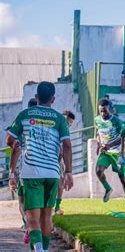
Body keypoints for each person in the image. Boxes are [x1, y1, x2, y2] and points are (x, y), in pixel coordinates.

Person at [6, 81, 73, 251]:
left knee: (32, 218)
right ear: (53, 99)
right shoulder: (59, 118)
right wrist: (69, 172)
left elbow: (9, 139)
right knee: (46, 216)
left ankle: (39, 249)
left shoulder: (25, 114)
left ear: (36, 97)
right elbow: (67, 145)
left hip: (31, 173)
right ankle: (43, 248)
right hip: (52, 173)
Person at [8, 97, 37, 244]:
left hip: (24, 167)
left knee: (22, 200)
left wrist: (11, 173)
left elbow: (14, 148)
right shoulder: (44, 124)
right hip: (44, 168)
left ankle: (27, 222)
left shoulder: (23, 123)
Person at [94, 98, 125, 213]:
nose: (103, 113)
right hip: (105, 152)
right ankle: (108, 189)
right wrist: (98, 144)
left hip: (117, 153)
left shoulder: (117, 121)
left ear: (109, 109)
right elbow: (98, 133)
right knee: (98, 170)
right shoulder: (97, 120)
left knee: (123, 179)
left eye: (105, 110)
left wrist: (109, 145)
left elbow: (122, 137)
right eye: (101, 111)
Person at [54, 110, 75, 215]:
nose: (69, 125)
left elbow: (66, 146)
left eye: (70, 123)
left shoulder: (65, 130)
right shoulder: (55, 126)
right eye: (68, 122)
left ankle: (57, 207)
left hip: (59, 160)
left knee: (61, 181)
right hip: (51, 158)